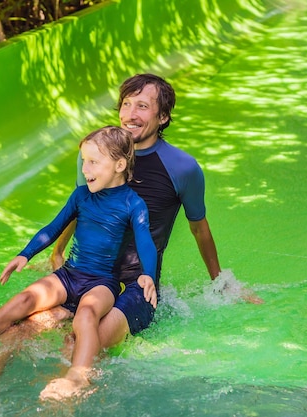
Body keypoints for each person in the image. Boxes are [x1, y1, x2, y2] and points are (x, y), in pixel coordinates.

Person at [40, 73, 263, 400]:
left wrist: (221, 281)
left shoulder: (182, 168)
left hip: (135, 287)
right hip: (88, 274)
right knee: (26, 327)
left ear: (163, 117)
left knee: (80, 343)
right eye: (126, 104)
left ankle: (64, 401)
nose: (131, 114)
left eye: (142, 106)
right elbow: (82, 207)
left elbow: (199, 227)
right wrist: (57, 253)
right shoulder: (96, 155)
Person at [0, 126, 158, 391]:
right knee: (24, 299)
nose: (85, 170)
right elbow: (53, 227)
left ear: (119, 164)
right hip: (69, 275)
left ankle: (77, 376)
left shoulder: (132, 203)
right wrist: (25, 254)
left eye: (93, 162)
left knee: (86, 314)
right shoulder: (81, 196)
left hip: (102, 283)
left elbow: (145, 241)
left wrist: (147, 273)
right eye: (83, 162)